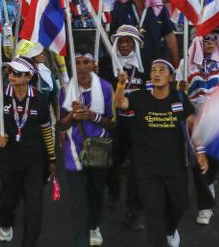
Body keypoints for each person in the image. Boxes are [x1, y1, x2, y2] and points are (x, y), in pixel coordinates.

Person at [114, 59, 208, 247]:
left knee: (179, 205)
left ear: (171, 76)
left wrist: (201, 152)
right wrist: (120, 85)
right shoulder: (139, 98)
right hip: (147, 169)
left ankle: (171, 230)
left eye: (162, 70)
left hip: (175, 168)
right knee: (154, 215)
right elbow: (120, 103)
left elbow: (193, 125)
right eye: (153, 70)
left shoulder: (179, 99)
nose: (156, 73)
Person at [0, 57, 56, 246]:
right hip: (7, 160)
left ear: (28, 76)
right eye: (10, 71)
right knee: (8, 201)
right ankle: (5, 222)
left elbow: (46, 129)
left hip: (34, 160)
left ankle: (29, 242)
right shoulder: (0, 95)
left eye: (17, 73)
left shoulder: (39, 99)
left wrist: (51, 158)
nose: (11, 75)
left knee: (35, 207)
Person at [58, 53, 115, 247]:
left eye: (86, 62)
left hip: (98, 150)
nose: (82, 67)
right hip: (73, 153)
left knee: (96, 194)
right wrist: (72, 116)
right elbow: (61, 125)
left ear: (93, 65)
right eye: (77, 63)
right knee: (78, 203)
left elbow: (113, 122)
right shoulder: (66, 90)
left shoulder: (106, 88)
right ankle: (80, 240)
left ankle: (94, 225)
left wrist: (92, 116)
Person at [176, 31, 219, 225]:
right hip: (194, 117)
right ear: (197, 40)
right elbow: (177, 90)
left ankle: (209, 182)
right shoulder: (186, 63)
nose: (210, 42)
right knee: (198, 161)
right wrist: (180, 86)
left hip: (218, 117)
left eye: (214, 38)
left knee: (214, 161)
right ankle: (204, 207)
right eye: (206, 38)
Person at [104, 25, 146, 229]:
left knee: (136, 168)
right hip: (114, 124)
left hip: (137, 125)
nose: (124, 45)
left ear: (136, 44)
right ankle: (112, 190)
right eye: (120, 41)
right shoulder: (105, 64)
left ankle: (134, 211)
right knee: (114, 161)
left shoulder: (145, 66)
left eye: (128, 41)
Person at [110, 0, 179, 68]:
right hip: (127, 63)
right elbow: (112, 35)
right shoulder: (118, 6)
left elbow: (169, 35)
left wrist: (176, 64)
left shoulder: (158, 7)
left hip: (153, 62)